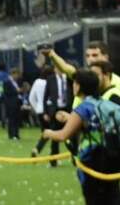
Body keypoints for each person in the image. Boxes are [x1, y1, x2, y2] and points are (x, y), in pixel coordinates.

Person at [42, 69, 120, 204]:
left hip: (92, 159)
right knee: (112, 197)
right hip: (113, 157)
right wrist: (70, 118)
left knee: (94, 199)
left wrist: (48, 133)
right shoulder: (106, 104)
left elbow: (63, 135)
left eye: (74, 83)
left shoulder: (83, 108)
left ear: (79, 86)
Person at [45, 41, 120, 107]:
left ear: (106, 57)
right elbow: (66, 69)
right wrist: (51, 54)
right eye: (87, 56)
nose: (91, 59)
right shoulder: (84, 77)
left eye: (95, 55)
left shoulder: (117, 82)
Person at [32, 62, 69, 165]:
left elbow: (32, 97)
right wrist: (45, 111)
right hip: (53, 111)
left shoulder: (68, 79)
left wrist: (37, 108)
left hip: (65, 109)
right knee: (53, 134)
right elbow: (45, 96)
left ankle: (38, 149)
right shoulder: (50, 80)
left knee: (58, 133)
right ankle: (52, 159)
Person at [3, 68, 22, 140]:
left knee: (17, 119)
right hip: (11, 103)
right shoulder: (7, 82)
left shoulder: (16, 82)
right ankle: (11, 134)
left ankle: (16, 134)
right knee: (11, 119)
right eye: (17, 75)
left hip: (17, 102)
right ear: (13, 74)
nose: (17, 77)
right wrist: (17, 91)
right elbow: (6, 92)